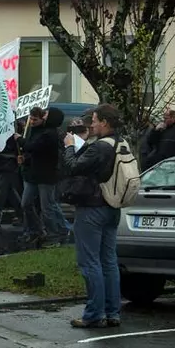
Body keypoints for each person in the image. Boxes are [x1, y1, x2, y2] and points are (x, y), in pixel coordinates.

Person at [61, 104, 124, 328]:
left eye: (95, 120)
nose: (92, 124)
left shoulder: (99, 148)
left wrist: (70, 147)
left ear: (105, 122)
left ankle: (94, 314)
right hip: (112, 206)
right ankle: (112, 312)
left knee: (90, 262)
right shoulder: (121, 143)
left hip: (92, 208)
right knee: (109, 261)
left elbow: (73, 167)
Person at [16, 107, 69, 246]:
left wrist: (20, 139)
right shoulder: (39, 131)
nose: (44, 116)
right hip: (34, 174)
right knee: (26, 203)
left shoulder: (50, 134)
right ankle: (38, 230)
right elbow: (36, 154)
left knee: (48, 207)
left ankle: (55, 235)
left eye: (46, 114)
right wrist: (26, 160)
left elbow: (33, 147)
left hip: (46, 176)